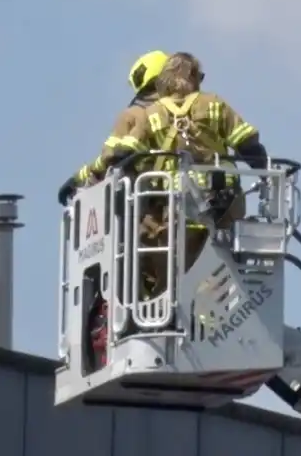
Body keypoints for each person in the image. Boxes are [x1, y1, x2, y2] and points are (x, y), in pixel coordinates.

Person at [118, 52, 269, 295]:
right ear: (193, 77)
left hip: (174, 211)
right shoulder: (215, 104)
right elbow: (248, 144)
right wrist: (266, 174)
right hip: (225, 207)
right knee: (223, 273)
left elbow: (127, 152)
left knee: (176, 275)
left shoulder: (151, 114)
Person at [58, 50, 169, 205]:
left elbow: (109, 157)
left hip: (149, 204)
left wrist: (78, 179)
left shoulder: (133, 115)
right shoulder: (195, 110)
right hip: (196, 201)